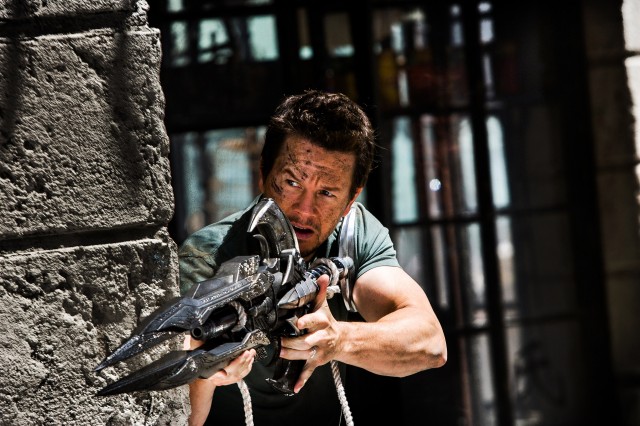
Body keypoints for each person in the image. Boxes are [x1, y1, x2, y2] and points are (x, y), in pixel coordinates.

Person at [178, 89, 447, 426]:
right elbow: (179, 416)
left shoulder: (353, 235)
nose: (305, 211)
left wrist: (338, 339)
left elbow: (430, 344)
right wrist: (205, 373)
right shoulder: (207, 256)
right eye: (292, 182)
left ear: (350, 200)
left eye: (327, 192)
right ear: (263, 173)